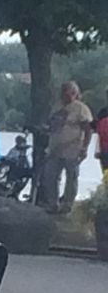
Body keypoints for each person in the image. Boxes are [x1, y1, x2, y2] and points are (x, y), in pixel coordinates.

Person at [44, 81, 93, 214]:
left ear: (75, 93)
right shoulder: (56, 106)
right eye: (64, 92)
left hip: (73, 149)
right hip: (55, 149)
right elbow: (51, 124)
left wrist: (84, 148)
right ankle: (52, 204)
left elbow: (88, 130)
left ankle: (67, 205)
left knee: (71, 177)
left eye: (70, 92)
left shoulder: (81, 108)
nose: (67, 95)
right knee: (51, 176)